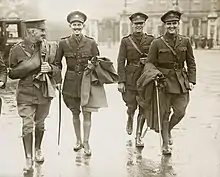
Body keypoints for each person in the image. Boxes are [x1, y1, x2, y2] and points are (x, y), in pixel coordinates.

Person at [8, 19, 60, 172]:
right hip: (25, 93)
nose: (44, 33)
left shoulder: (51, 47)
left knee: (40, 123)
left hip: (44, 91)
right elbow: (12, 73)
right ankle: (28, 158)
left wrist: (50, 68)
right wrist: (28, 67)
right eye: (40, 30)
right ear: (31, 32)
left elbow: (58, 68)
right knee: (27, 125)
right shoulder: (16, 50)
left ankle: (37, 149)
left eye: (44, 29)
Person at [146, 10, 196, 155]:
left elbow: (191, 62)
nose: (171, 26)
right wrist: (156, 74)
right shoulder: (157, 42)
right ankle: (165, 144)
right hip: (163, 82)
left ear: (178, 24)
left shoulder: (185, 41)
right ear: (165, 25)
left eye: (174, 23)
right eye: (169, 24)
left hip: (181, 81)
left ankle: (167, 131)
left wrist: (192, 80)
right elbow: (150, 63)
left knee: (180, 111)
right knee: (165, 113)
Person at [55, 11, 100, 156]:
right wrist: (58, 80)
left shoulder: (91, 42)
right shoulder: (63, 43)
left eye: (79, 25)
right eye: (74, 25)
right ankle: (78, 140)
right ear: (70, 26)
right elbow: (57, 63)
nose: (76, 27)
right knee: (75, 113)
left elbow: (97, 59)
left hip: (86, 82)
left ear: (83, 25)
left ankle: (86, 142)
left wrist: (93, 65)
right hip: (70, 82)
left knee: (87, 113)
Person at [117, 12, 154, 147]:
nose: (138, 26)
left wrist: (148, 61)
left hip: (145, 77)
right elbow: (121, 61)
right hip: (131, 77)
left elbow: (155, 58)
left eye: (141, 23)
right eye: (136, 24)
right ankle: (130, 116)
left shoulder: (151, 40)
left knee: (144, 106)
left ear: (144, 24)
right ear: (132, 25)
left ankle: (138, 135)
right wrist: (121, 81)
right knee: (131, 105)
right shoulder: (126, 41)